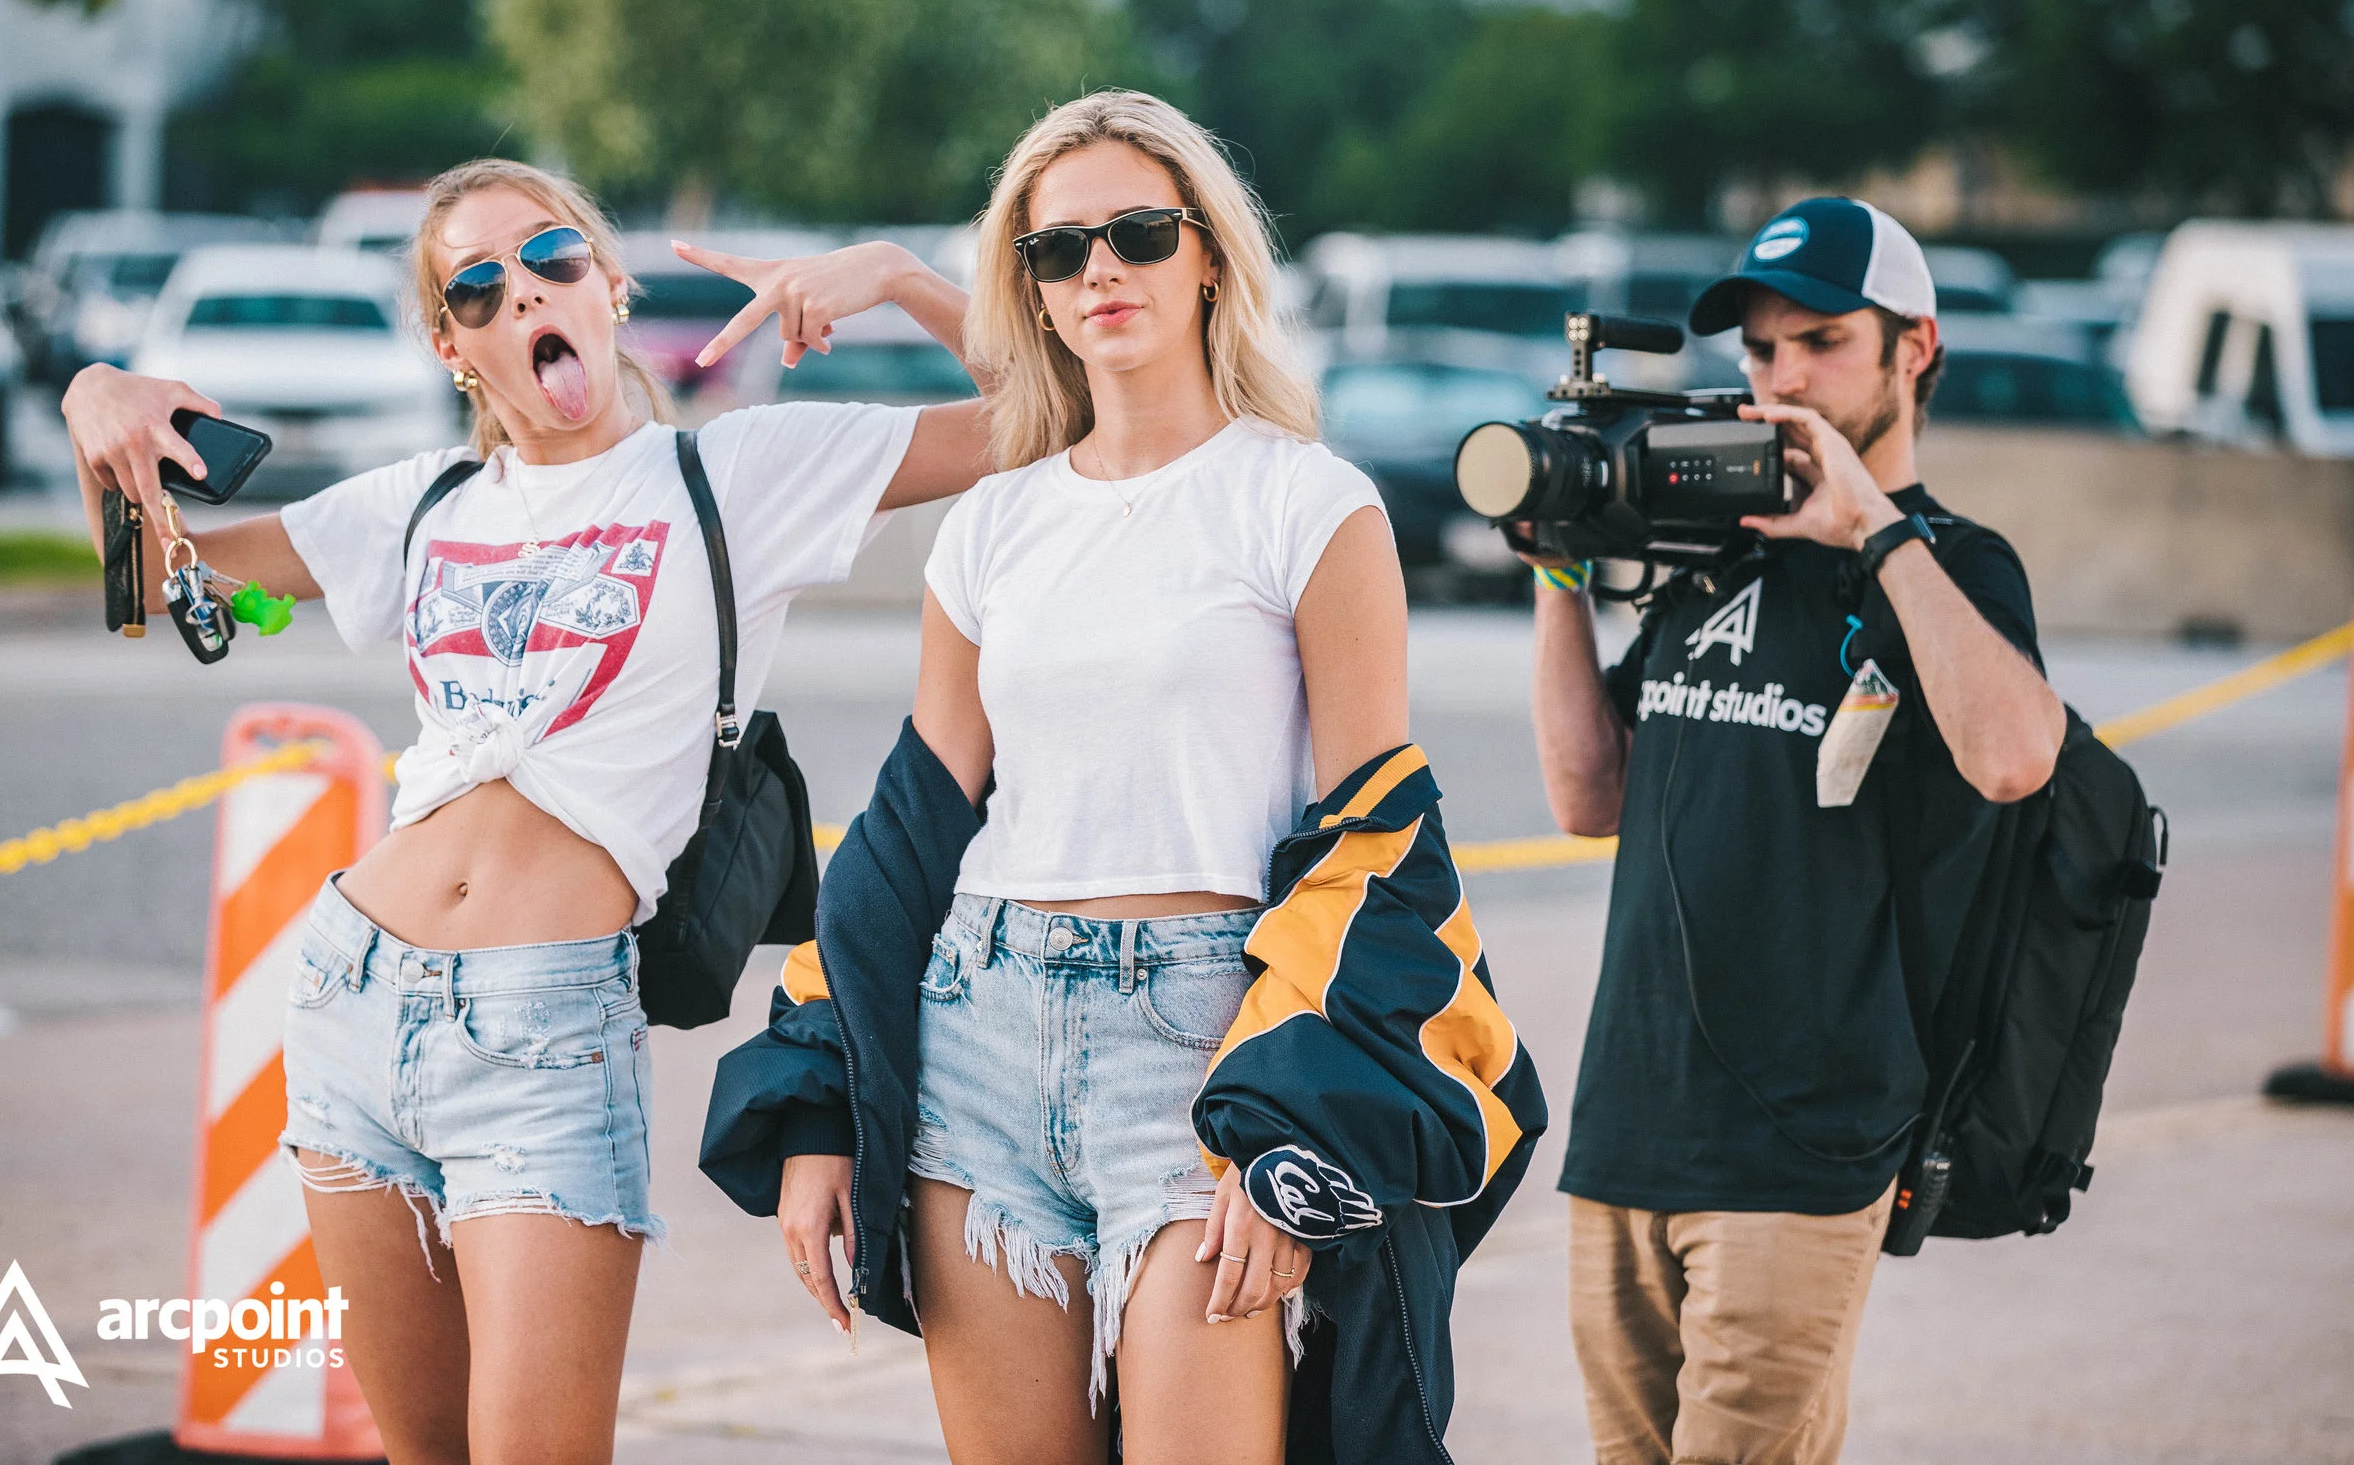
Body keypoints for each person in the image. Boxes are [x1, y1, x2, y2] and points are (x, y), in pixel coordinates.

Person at [59, 156, 987, 1465]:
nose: (526, 294)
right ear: (453, 343)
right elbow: (159, 580)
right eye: (480, 286)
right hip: (350, 999)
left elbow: (1052, 408)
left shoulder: (739, 476)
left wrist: (894, 274)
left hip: (546, 1030)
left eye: (553, 259)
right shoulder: (426, 503)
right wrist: (98, 403)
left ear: (607, 285)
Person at [701, 91, 1544, 1465]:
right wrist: (816, 1095)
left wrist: (1288, 1138)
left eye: (1139, 233)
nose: (1102, 269)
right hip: (980, 1034)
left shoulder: (1309, 503)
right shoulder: (993, 522)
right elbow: (914, 828)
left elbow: (1377, 839)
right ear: (1028, 290)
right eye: (1058, 249)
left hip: (1209, 1052)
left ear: (1208, 252)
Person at [1522, 197, 2066, 1465]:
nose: (1782, 378)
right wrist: (1557, 570)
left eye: (1819, 342)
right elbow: (1586, 797)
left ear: (1912, 349)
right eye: (1763, 352)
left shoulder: (1953, 564)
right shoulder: (1714, 558)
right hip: (1627, 1122)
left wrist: (1874, 529)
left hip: (1802, 1137)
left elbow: (2014, 756)